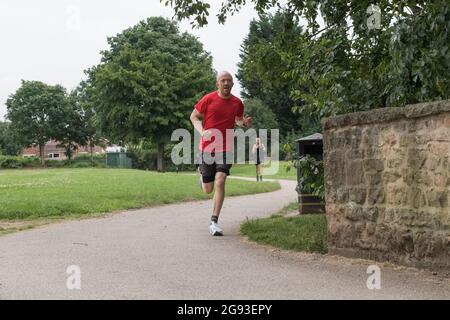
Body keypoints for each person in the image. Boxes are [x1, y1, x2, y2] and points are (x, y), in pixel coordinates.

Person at [190, 71, 252, 236]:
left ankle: (214, 221)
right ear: (217, 83)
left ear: (232, 84)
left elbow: (237, 120)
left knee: (220, 180)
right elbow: (194, 117)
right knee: (207, 189)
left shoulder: (238, 103)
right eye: (223, 80)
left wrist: (243, 123)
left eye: (229, 81)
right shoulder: (208, 99)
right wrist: (202, 132)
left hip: (226, 148)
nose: (226, 83)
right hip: (207, 148)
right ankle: (202, 175)